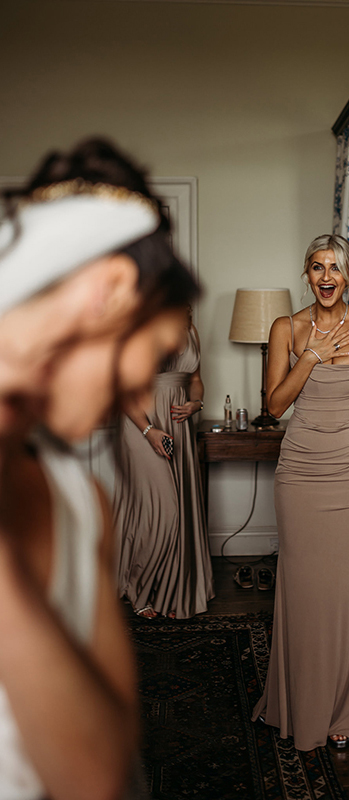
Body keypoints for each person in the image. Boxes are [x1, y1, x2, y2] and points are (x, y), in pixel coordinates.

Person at [0, 139, 201, 800]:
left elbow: (97, 777)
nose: (143, 383)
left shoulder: (80, 500)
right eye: (159, 349)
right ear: (109, 290)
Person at [252, 233, 349, 751]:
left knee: (344, 587)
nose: (326, 277)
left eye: (335, 267)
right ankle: (296, 702)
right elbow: (274, 406)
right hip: (299, 473)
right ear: (307, 275)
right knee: (301, 586)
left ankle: (343, 706)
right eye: (317, 267)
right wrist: (309, 356)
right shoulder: (286, 329)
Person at [114, 306, 211, 620]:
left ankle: (170, 591)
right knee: (164, 511)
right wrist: (149, 430)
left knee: (178, 511)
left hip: (178, 424)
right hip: (141, 426)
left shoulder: (190, 328)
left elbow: (195, 379)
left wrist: (195, 403)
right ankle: (135, 584)